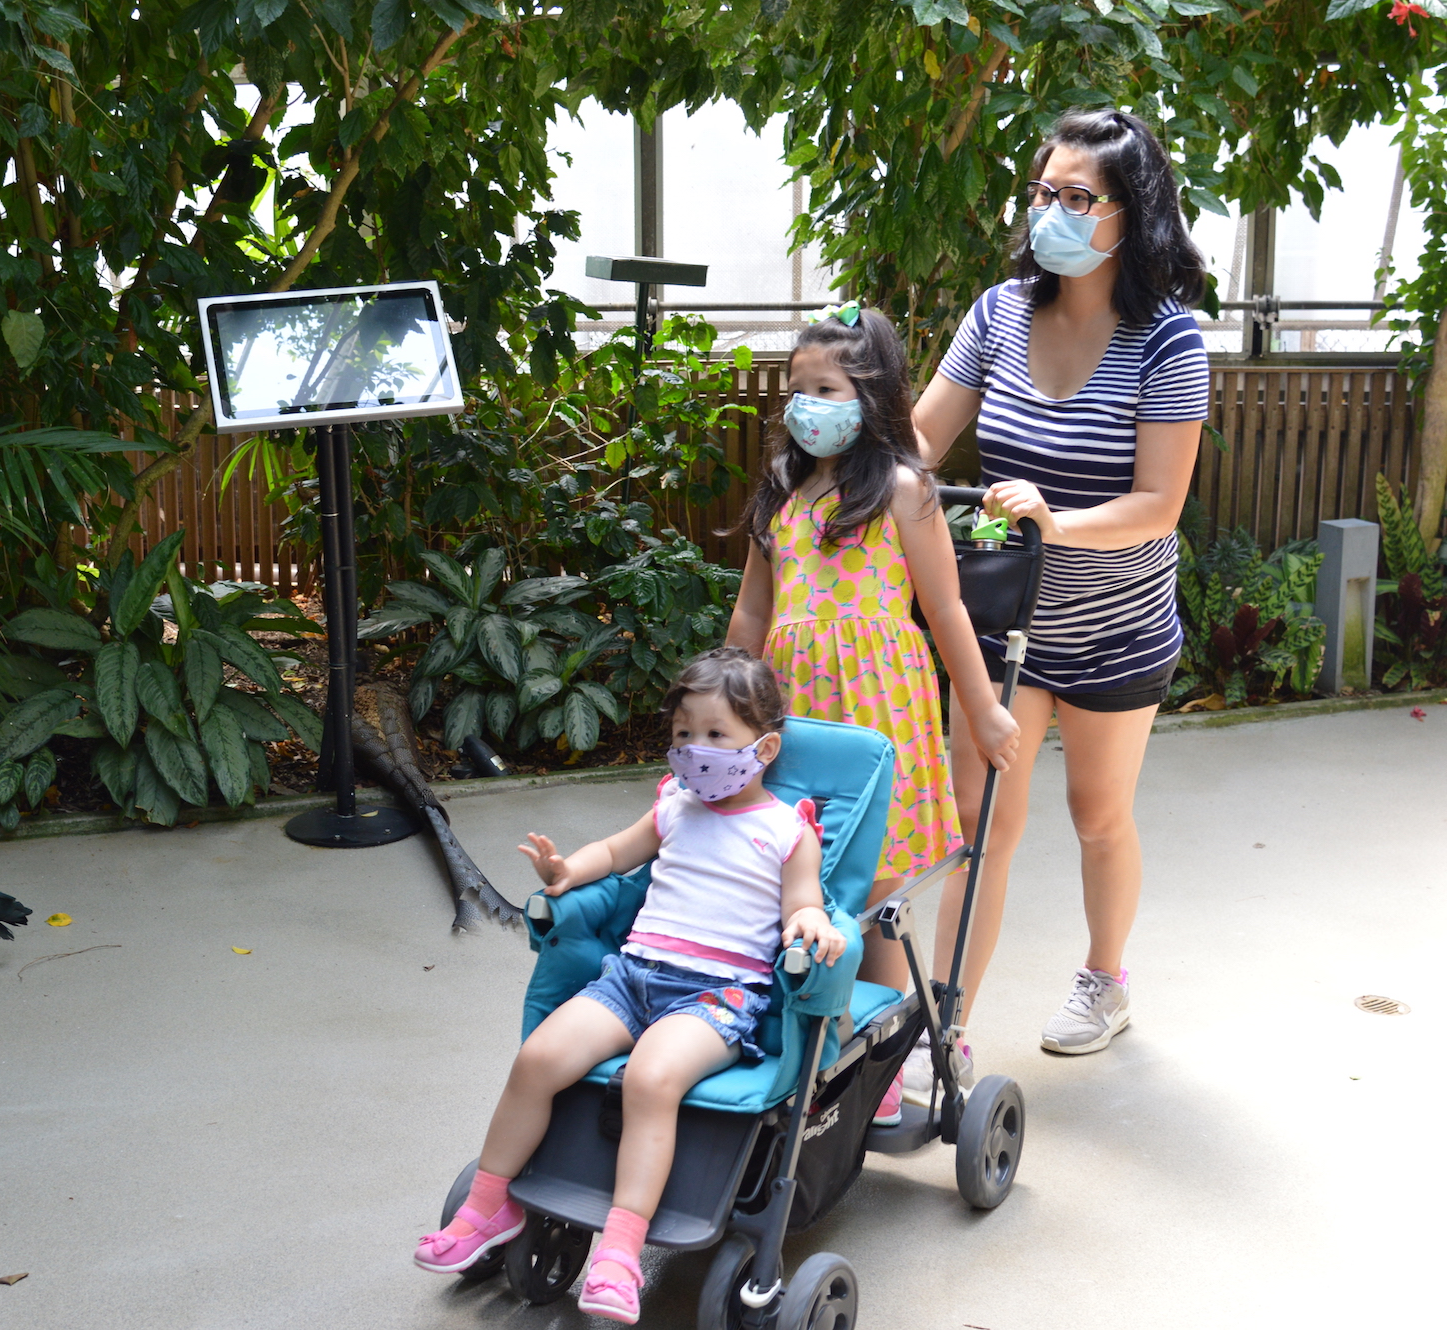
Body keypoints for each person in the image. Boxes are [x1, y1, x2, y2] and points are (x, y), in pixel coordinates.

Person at [906, 107, 1208, 1092]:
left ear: (1129, 214)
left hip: (1113, 628)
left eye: (1076, 197)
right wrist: (852, 484)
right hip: (999, 615)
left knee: (1094, 817)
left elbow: (1158, 506)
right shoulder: (995, 313)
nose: (1051, 211)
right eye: (1042, 193)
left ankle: (1103, 978)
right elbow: (920, 439)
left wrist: (1054, 518)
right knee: (979, 820)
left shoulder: (1166, 343)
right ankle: (939, 1030)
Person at [411, 648, 845, 1326]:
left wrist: (814, 925)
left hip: (716, 996)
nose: (696, 751)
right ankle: (491, 1202)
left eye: (715, 736)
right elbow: (617, 853)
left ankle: (619, 1249)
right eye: (683, 736)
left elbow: (803, 905)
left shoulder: (787, 830)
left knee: (649, 1080)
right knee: (538, 1061)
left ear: (765, 748)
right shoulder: (675, 805)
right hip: (634, 977)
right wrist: (566, 868)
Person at [723, 303, 1020, 1122]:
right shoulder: (782, 489)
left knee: (876, 894)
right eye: (796, 388)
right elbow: (752, 612)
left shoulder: (902, 491)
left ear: (871, 396)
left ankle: (879, 1070)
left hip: (878, 717)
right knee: (795, 878)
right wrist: (724, 698)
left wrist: (984, 710)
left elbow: (949, 609)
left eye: (825, 387)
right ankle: (796, 1042)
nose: (805, 404)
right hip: (793, 712)